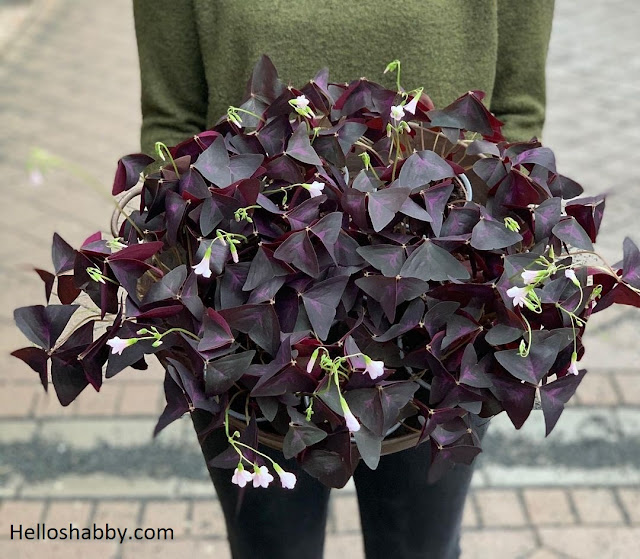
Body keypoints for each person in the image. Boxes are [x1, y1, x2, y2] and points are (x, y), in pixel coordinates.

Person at [132, 2, 555, 557]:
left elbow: (516, 110)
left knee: (418, 550)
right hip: (246, 305)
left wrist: (489, 243)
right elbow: (172, 122)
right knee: (270, 549)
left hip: (446, 307)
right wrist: (184, 265)